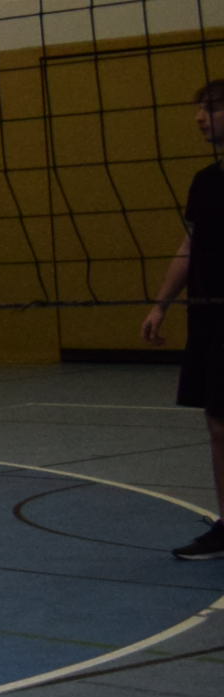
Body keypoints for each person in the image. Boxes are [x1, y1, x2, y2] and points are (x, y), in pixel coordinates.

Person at [144, 77, 224, 558]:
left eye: (211, 108)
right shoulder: (205, 181)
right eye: (199, 109)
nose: (199, 118)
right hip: (210, 317)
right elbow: (189, 246)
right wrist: (161, 304)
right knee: (217, 422)